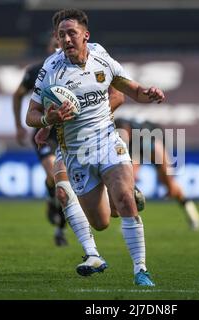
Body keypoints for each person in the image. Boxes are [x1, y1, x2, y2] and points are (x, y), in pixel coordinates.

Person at [26, 9, 165, 286]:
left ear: (85, 35)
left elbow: (131, 91)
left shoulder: (101, 57)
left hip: (107, 142)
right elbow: (31, 115)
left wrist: (148, 94)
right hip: (75, 153)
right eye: (61, 34)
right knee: (101, 222)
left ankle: (140, 270)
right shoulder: (50, 70)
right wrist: (47, 120)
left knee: (125, 199)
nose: (66, 39)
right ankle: (95, 253)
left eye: (71, 33)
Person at [12, 36, 68, 246]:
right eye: (54, 43)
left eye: (60, 44)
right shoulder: (38, 71)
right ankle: (59, 229)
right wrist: (18, 125)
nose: (57, 47)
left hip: (70, 133)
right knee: (57, 177)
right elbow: (17, 95)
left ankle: (59, 223)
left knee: (63, 182)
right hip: (44, 134)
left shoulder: (79, 70)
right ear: (48, 46)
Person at [114, 118, 199, 231]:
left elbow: (154, 149)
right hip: (140, 148)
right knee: (127, 182)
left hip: (153, 146)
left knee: (170, 186)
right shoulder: (118, 137)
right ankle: (130, 221)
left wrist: (163, 173)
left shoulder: (143, 133)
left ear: (128, 130)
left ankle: (192, 214)